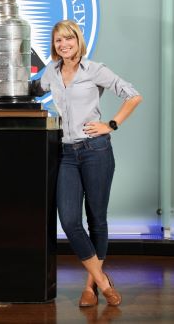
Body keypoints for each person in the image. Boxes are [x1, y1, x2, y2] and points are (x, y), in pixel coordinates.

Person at [32, 20, 142, 307]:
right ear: (54, 45)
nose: (63, 45)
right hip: (66, 153)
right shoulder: (51, 72)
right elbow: (32, 91)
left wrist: (111, 124)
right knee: (69, 219)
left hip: (96, 151)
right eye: (58, 41)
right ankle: (105, 281)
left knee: (96, 219)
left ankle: (90, 286)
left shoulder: (95, 70)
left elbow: (133, 95)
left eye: (68, 39)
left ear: (78, 40)